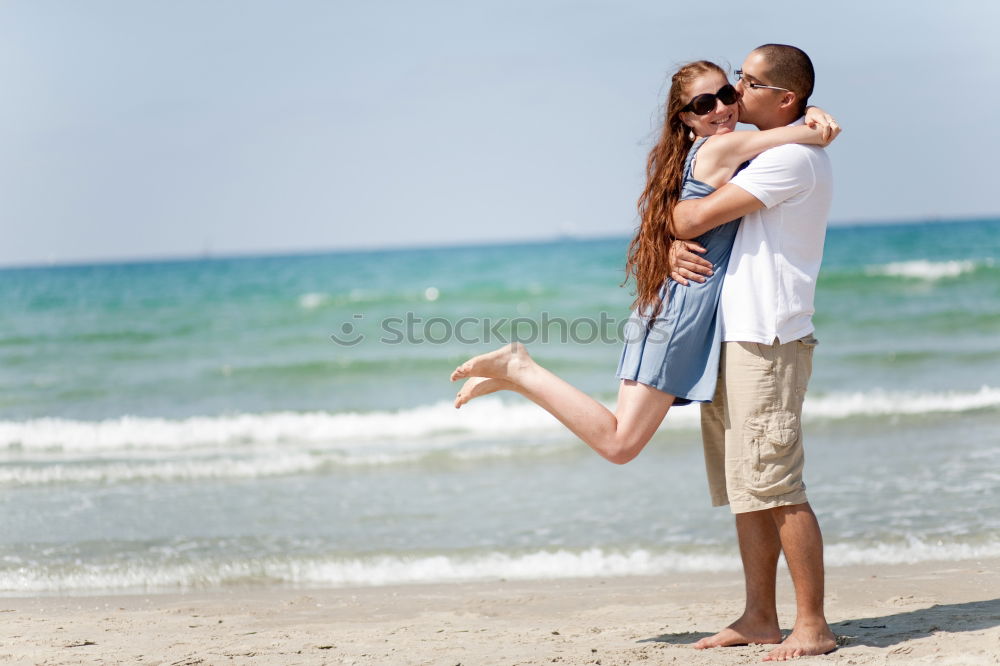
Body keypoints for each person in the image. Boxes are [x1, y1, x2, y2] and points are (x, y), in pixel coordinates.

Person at [448, 59, 838, 471]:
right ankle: (520, 368)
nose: (722, 108)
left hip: (677, 303)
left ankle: (516, 378)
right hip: (685, 307)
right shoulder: (721, 147)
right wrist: (813, 115)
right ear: (686, 118)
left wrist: (807, 108)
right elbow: (807, 135)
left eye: (727, 94)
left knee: (622, 439)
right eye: (704, 104)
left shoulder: (705, 150)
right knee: (621, 444)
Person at [669, 44, 839, 661]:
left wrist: (675, 230)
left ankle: (813, 624)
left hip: (767, 339)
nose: (736, 93)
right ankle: (760, 615)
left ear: (785, 98)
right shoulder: (776, 149)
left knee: (777, 484)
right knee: (748, 487)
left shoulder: (790, 158)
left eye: (748, 82)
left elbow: (690, 219)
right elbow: (701, 231)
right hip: (736, 334)